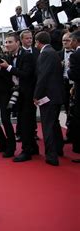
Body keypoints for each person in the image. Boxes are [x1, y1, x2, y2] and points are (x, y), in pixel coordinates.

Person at [0, 33, 38, 161]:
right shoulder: (9, 56)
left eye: (10, 42)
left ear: (17, 43)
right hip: (16, 93)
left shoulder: (27, 56)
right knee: (24, 121)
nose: (7, 45)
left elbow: (25, 74)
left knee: (26, 122)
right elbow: (10, 76)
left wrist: (8, 67)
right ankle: (33, 147)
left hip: (27, 93)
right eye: (6, 42)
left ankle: (27, 152)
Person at [34, 31, 64, 166]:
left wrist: (36, 95)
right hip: (56, 95)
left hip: (48, 96)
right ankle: (59, 149)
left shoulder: (45, 54)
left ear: (38, 42)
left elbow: (43, 77)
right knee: (54, 123)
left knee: (48, 126)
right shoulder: (54, 52)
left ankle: (51, 156)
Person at [67, 30, 80, 162]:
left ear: (76, 41)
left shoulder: (75, 55)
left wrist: (69, 69)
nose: (69, 43)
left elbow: (74, 75)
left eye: (71, 40)